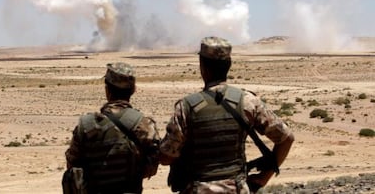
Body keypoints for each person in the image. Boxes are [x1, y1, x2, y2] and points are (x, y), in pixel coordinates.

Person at [159, 36, 294, 194]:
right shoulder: (247, 101)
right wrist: (264, 177)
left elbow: (166, 157)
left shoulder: (186, 107)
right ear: (228, 65)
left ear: (203, 67)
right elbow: (287, 138)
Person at [64, 62, 160, 194]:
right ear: (133, 90)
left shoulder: (87, 126)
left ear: (107, 89)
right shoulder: (145, 125)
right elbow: (152, 167)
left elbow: (72, 165)